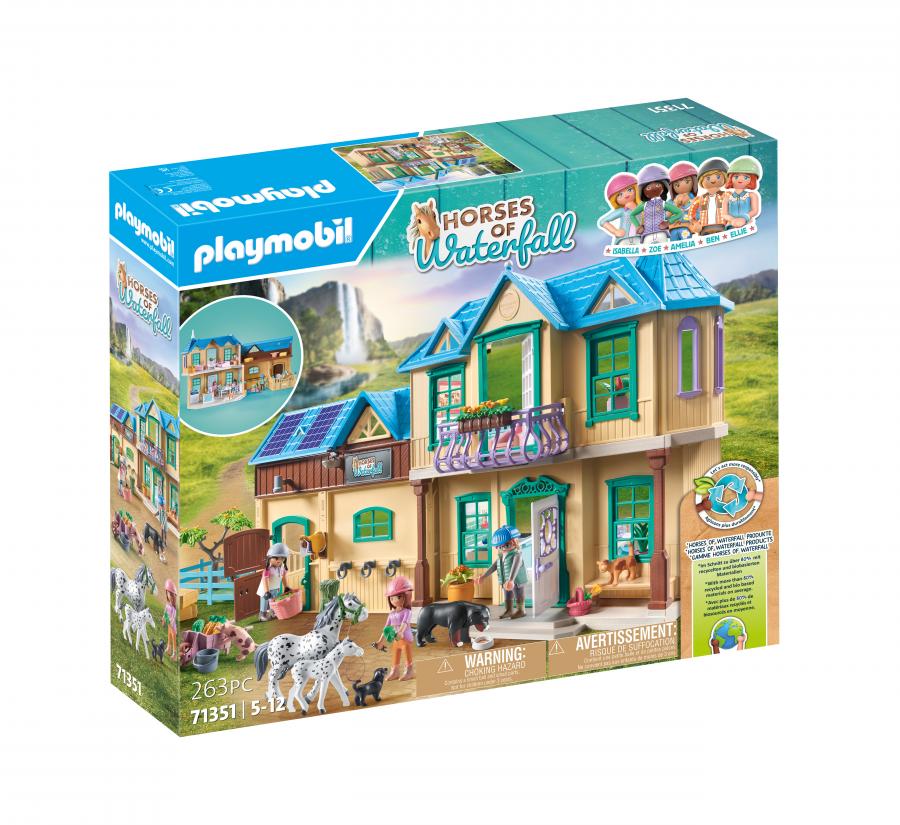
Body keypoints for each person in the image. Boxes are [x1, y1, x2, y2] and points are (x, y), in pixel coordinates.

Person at [475, 525, 528, 620]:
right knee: (507, 595)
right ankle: (509, 610)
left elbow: (515, 566)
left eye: (506, 545)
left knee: (518, 594)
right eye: (499, 546)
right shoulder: (501, 555)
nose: (503, 548)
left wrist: (511, 580)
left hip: (517, 580)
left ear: (515, 542)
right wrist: (484, 576)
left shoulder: (517, 554)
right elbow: (494, 566)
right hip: (505, 580)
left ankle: (521, 610)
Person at [373, 575, 415, 681]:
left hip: (405, 638)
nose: (394, 600)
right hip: (396, 638)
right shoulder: (392, 613)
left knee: (407, 652)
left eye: (398, 597)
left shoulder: (407, 612)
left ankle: (409, 671)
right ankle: (395, 671)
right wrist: (380, 641)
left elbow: (405, 623)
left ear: (407, 596)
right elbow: (386, 627)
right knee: (395, 653)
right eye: (391, 598)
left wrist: (400, 631)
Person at [630, 163, 682, 242]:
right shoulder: (644, 205)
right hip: (647, 234)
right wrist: (638, 226)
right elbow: (632, 215)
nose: (653, 189)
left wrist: (668, 222)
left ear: (664, 187)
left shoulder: (663, 204)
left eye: (658, 185)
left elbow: (679, 212)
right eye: (648, 187)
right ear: (642, 191)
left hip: (661, 232)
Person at [597, 172, 641, 246]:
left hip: (639, 238)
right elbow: (603, 221)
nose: (626, 195)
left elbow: (646, 217)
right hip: (624, 239)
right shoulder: (622, 211)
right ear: (615, 200)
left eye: (629, 190)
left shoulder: (642, 207)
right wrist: (615, 231)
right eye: (620, 194)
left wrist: (635, 208)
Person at [688, 157, 730, 235]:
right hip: (705, 228)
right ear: (702, 181)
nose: (713, 180)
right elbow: (691, 212)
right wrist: (695, 223)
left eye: (718, 177)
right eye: (708, 178)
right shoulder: (701, 198)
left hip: (722, 226)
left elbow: (735, 205)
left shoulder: (726, 195)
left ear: (725, 178)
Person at [257, 543, 292, 621]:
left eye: (282, 558)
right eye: (276, 558)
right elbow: (265, 580)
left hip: (275, 588)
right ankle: (262, 614)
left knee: (273, 601)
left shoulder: (282, 568)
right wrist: (266, 591)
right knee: (265, 601)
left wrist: (286, 586)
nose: (279, 560)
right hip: (266, 589)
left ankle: (272, 612)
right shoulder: (268, 569)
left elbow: (283, 577)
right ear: (270, 558)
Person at [725, 155, 763, 227]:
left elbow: (755, 211)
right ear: (730, 178)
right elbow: (724, 214)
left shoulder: (751, 195)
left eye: (746, 177)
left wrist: (744, 218)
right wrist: (732, 220)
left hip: (747, 223)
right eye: (736, 176)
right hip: (731, 224)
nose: (740, 180)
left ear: (752, 180)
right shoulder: (727, 196)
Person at [163, 578, 178, 660]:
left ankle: (175, 653)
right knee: (169, 635)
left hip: (172, 625)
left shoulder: (173, 607)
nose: (169, 596)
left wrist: (171, 620)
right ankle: (169, 648)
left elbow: (173, 615)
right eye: (168, 594)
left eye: (171, 594)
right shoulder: (168, 604)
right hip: (169, 623)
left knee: (173, 637)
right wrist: (163, 618)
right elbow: (165, 612)